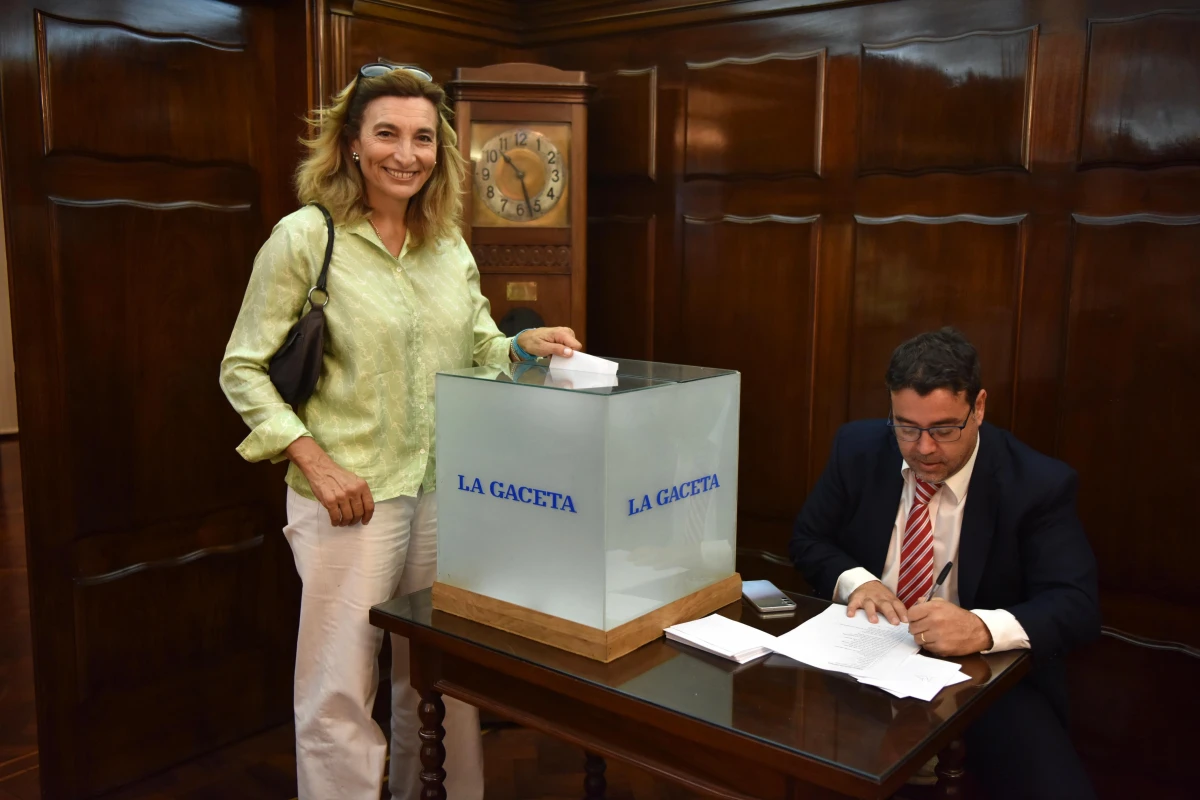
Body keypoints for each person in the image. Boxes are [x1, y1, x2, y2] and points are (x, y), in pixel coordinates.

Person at [219, 63, 581, 800]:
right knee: (339, 689)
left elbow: (477, 349)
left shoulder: (448, 242)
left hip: (445, 494)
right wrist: (315, 461)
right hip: (350, 501)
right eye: (387, 133)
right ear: (352, 142)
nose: (405, 154)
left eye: (422, 138)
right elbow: (242, 368)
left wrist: (520, 347)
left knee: (446, 680)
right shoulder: (305, 237)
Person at [790, 328, 1100, 799]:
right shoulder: (857, 449)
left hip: (984, 681)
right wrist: (858, 583)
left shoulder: (1036, 484)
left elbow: (1076, 605)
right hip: (861, 663)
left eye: (943, 429)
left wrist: (981, 629)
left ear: (977, 407)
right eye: (907, 427)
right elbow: (809, 538)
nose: (923, 448)